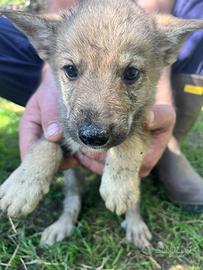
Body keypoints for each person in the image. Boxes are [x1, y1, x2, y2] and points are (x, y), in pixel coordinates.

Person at [0, 0, 203, 211]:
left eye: (130, 73)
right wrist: (35, 168)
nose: (95, 127)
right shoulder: (55, 38)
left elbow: (154, 7)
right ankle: (70, 206)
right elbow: (61, 10)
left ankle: (169, 148)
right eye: (71, 70)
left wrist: (160, 103)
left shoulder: (158, 41)